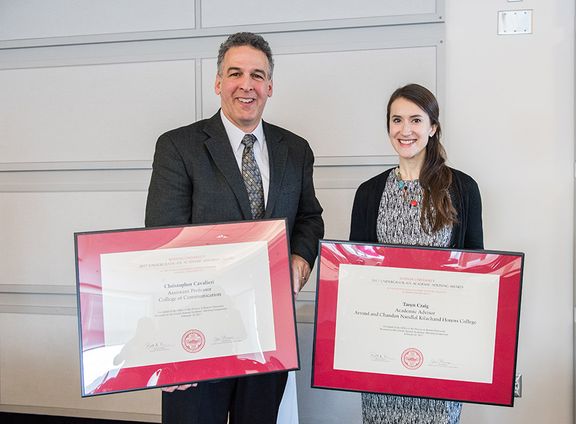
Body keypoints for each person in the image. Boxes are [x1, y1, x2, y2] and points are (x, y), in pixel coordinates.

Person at [145, 32, 324, 424]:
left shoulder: (296, 149)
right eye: (236, 73)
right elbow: (162, 244)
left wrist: (300, 259)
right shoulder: (179, 146)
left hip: (268, 330)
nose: (247, 85)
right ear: (218, 82)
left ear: (270, 86)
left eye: (257, 75)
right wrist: (166, 343)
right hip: (197, 332)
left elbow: (309, 217)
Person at [349, 83, 483, 424]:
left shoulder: (462, 189)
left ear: (433, 127)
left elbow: (475, 274)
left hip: (440, 347)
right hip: (382, 347)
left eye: (415, 120)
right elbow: (356, 275)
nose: (405, 130)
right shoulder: (368, 193)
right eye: (396, 120)